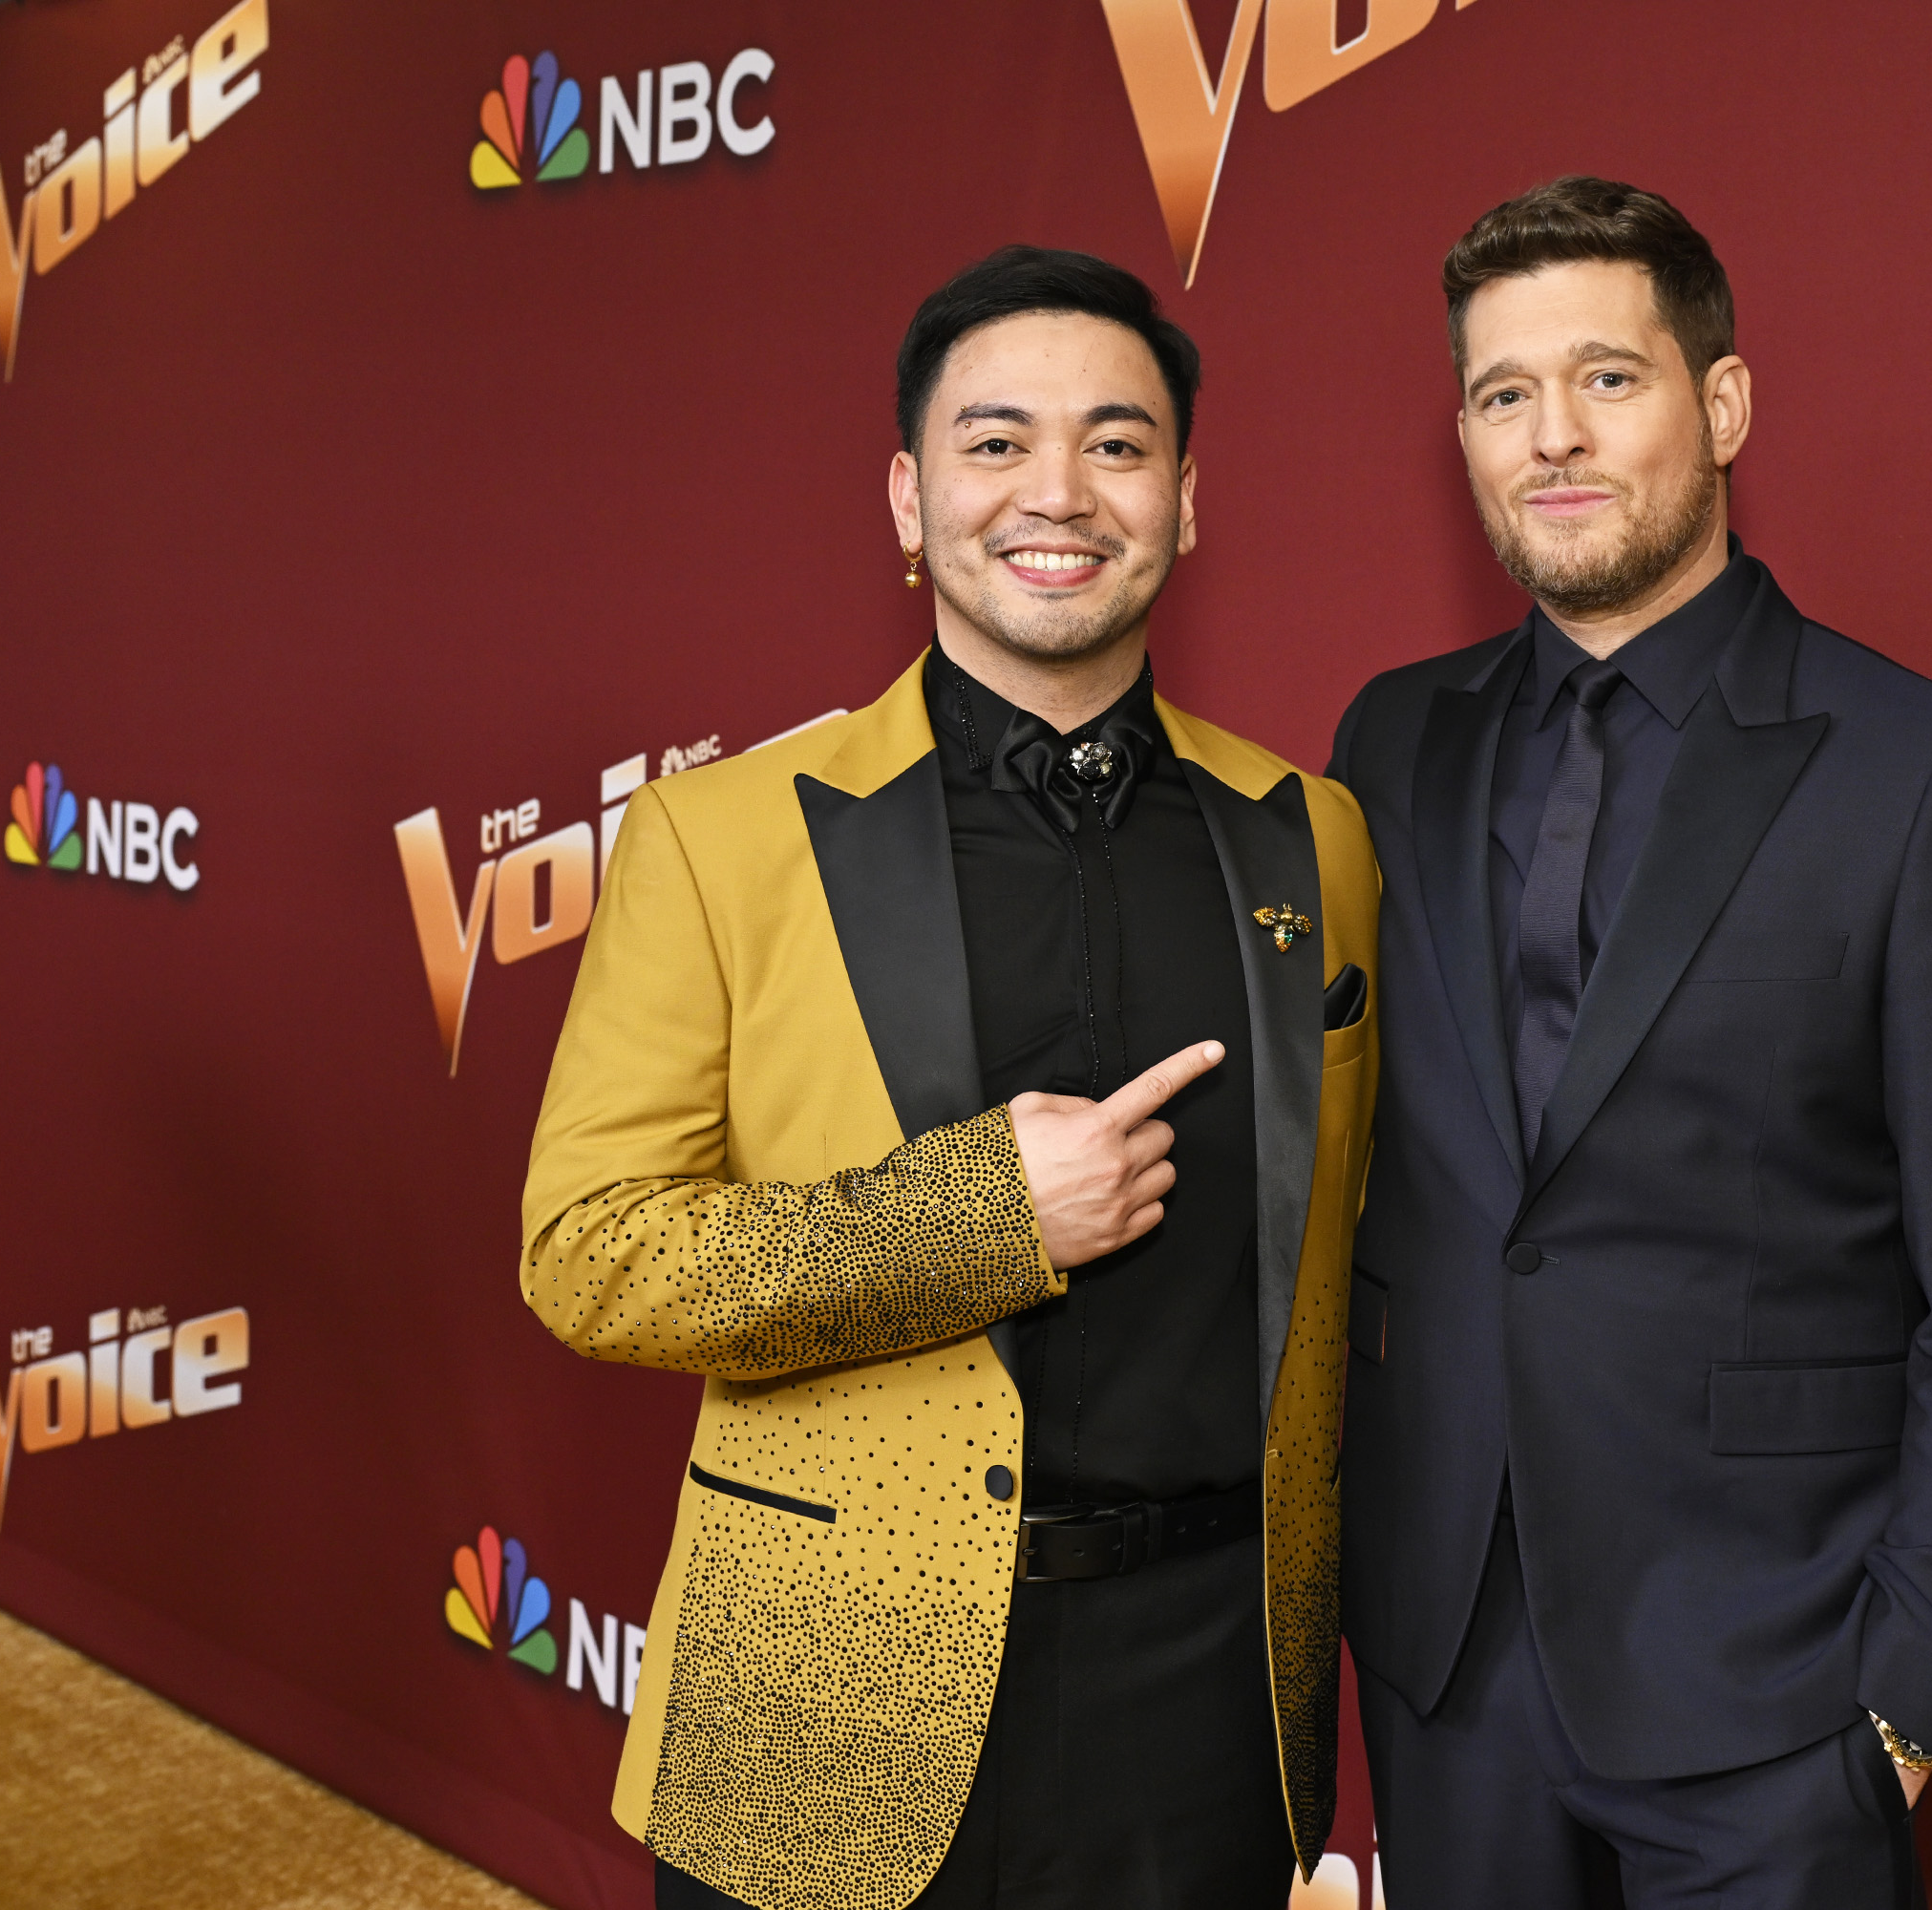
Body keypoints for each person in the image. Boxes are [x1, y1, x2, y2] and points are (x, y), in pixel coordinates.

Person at [522, 246, 1379, 1910]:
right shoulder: (720, 839)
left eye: (1118, 445)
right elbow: (588, 1250)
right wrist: (977, 1215)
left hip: (1205, 1703)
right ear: (909, 499)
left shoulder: (1311, 837)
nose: (1057, 490)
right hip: (826, 1691)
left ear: (1187, 501)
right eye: (995, 443)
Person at [1327, 178, 1932, 1908]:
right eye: (1502, 394)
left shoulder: (1918, 775)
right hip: (1451, 1664)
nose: (1552, 439)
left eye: (1606, 378)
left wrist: (1910, 1692)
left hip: (1779, 1681)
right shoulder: (1390, 743)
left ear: (1724, 404)